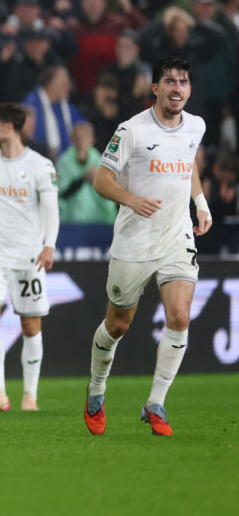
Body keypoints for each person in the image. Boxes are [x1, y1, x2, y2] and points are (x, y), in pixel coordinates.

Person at [85, 57, 211, 437]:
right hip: (135, 240)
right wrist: (130, 199)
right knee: (118, 324)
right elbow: (101, 181)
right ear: (154, 88)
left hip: (176, 236)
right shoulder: (132, 131)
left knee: (180, 316)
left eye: (184, 82)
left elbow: (187, 161)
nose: (177, 89)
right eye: (169, 81)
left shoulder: (196, 126)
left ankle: (155, 403)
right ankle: (96, 389)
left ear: (190, 88)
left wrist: (200, 203)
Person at [0, 103, 60, 412]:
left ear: (9, 127)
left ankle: (29, 395)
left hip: (27, 259)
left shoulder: (40, 165)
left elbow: (51, 209)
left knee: (30, 326)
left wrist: (49, 245)